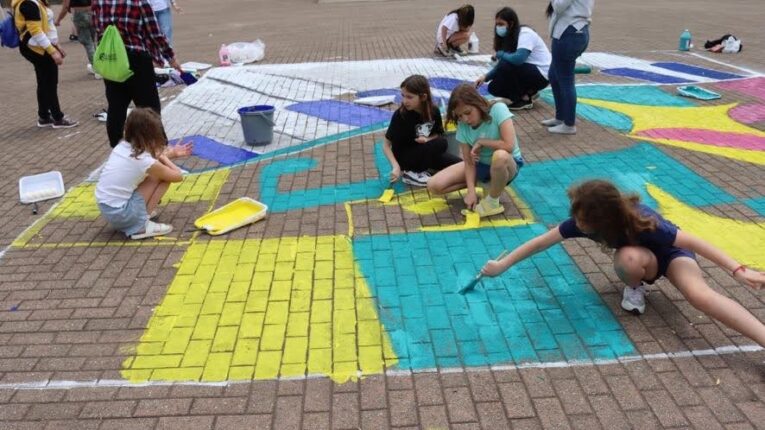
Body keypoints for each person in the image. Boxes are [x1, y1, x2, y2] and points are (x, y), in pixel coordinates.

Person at [481, 179, 765, 347]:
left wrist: (738, 270)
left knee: (700, 296)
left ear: (604, 219)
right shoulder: (584, 221)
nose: (577, 224)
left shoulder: (644, 220)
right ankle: (635, 286)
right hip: (640, 260)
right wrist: (501, 266)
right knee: (627, 258)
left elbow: (693, 242)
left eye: (583, 220)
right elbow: (542, 242)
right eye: (577, 217)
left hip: (671, 255)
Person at [92, 0, 182, 147]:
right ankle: (160, 147)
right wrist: (170, 57)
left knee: (116, 107)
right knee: (149, 108)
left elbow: (98, 29)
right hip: (136, 59)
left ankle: (117, 148)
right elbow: (155, 34)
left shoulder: (99, 2)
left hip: (112, 58)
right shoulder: (139, 2)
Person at [427, 84, 524, 217]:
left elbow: (509, 146)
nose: (465, 119)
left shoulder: (498, 109)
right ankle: (486, 184)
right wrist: (471, 191)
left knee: (500, 156)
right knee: (434, 185)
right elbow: (468, 162)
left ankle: (492, 202)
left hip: (508, 164)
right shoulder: (462, 124)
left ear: (478, 104)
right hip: (480, 166)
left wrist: (482, 142)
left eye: (468, 113)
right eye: (460, 115)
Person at [95, 108, 191, 240]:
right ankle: (141, 225)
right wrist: (164, 157)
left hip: (109, 210)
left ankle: (138, 218)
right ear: (150, 135)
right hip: (122, 214)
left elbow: (150, 161)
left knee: (155, 173)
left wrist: (171, 154)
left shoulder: (122, 146)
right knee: (163, 178)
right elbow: (177, 176)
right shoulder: (143, 160)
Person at [382, 75, 461, 187]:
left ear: (423, 97)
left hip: (424, 154)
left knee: (460, 164)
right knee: (441, 143)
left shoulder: (433, 111)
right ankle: (411, 173)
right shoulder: (400, 115)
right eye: (403, 96)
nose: (404, 101)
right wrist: (396, 167)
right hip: (405, 158)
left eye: (409, 97)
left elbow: (438, 134)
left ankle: (424, 168)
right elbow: (386, 145)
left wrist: (427, 139)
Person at [11, 0, 78, 128]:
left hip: (39, 46)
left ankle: (44, 116)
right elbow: (35, 30)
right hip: (37, 48)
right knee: (50, 83)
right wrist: (52, 51)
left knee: (44, 82)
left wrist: (56, 45)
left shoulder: (36, 2)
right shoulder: (28, 4)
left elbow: (47, 25)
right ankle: (58, 118)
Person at [475, 7, 551, 111]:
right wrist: (485, 77)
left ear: (511, 24)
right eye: (497, 24)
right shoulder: (509, 37)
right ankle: (529, 92)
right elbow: (502, 65)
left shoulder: (525, 33)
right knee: (494, 87)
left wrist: (501, 54)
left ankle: (523, 99)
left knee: (506, 65)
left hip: (543, 74)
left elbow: (518, 59)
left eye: (501, 24)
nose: (498, 27)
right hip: (529, 71)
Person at [543, 0, 593, 135]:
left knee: (565, 80)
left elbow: (559, 6)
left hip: (569, 32)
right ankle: (560, 117)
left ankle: (569, 124)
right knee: (554, 75)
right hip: (574, 31)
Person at [54, 0, 98, 77]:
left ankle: (97, 69)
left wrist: (58, 20)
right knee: (93, 41)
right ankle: (99, 65)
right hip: (92, 13)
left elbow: (66, 6)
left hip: (79, 14)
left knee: (88, 43)